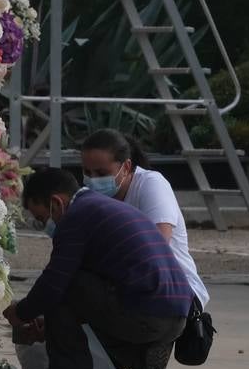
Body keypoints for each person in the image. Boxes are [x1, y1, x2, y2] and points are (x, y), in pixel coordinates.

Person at [2, 168, 191, 369]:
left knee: (66, 286)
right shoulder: (102, 207)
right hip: (178, 314)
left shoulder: (76, 217)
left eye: (42, 218)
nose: (45, 226)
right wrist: (49, 324)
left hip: (146, 312)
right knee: (77, 291)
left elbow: (54, 283)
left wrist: (20, 313)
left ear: (56, 203)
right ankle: (142, 361)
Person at [80, 129, 209, 312]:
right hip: (130, 288)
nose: (93, 180)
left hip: (175, 292)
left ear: (125, 167)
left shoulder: (151, 185)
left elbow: (156, 248)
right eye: (87, 172)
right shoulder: (91, 199)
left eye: (101, 173)